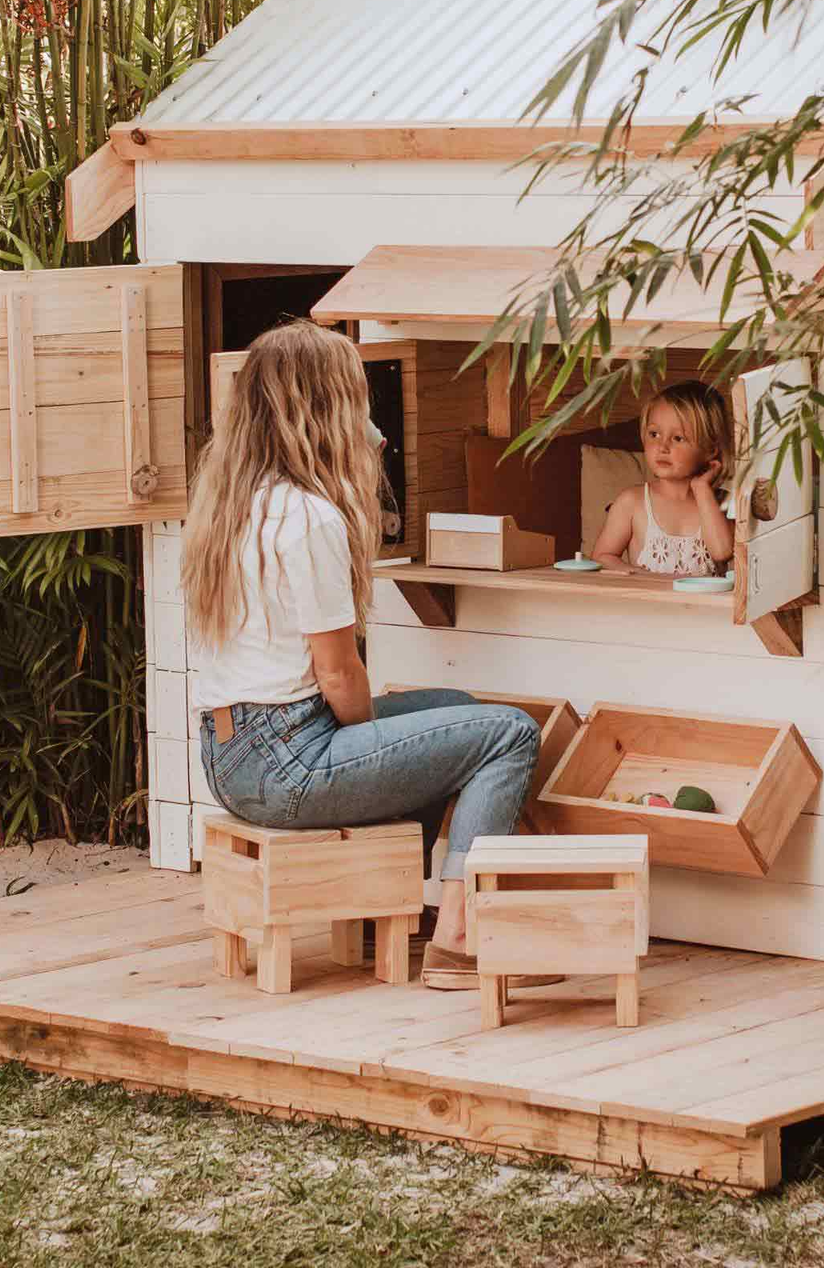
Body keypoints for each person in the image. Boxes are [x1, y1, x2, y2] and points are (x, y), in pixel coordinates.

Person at [180, 321, 553, 992]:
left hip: (227, 752)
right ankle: (460, 944)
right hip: (289, 760)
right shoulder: (308, 518)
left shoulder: (231, 506)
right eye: (356, 400)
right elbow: (336, 672)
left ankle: (397, 906)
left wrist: (385, 749)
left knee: (455, 711)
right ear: (326, 410)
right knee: (507, 733)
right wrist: (374, 744)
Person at [590, 381, 737, 577]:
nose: (662, 446)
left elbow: (722, 551)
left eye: (678, 438)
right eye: (654, 434)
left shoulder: (722, 503)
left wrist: (702, 489)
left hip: (705, 608)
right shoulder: (632, 502)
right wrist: (637, 574)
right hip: (650, 605)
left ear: (710, 450)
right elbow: (602, 556)